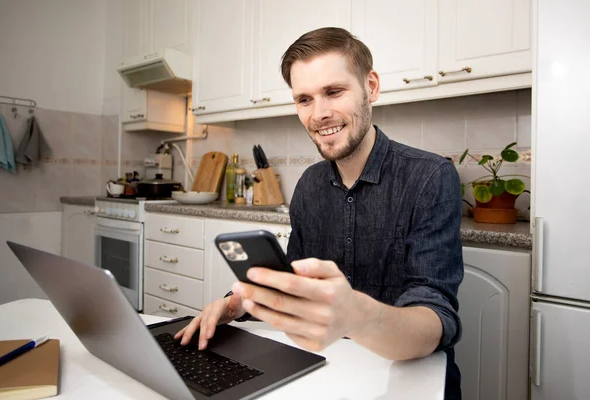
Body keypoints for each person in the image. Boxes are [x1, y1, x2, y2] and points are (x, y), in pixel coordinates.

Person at [175, 27, 464, 399]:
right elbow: (291, 281)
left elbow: (436, 321)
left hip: (406, 379)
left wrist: (356, 315)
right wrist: (237, 304)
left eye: (333, 92)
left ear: (371, 87)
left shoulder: (430, 177)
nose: (320, 114)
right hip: (325, 371)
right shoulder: (310, 184)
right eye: (304, 99)